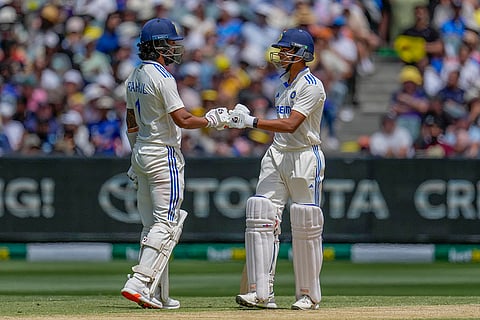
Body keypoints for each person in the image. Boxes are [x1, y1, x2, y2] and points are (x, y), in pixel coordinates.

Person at [120, 18, 229, 310]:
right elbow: (182, 119)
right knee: (168, 224)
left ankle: (156, 293)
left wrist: (134, 154)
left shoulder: (135, 74)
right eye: (169, 43)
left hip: (142, 150)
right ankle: (139, 281)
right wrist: (213, 120)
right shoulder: (163, 77)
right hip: (162, 153)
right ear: (157, 46)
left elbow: (131, 120)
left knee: (150, 227)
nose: (173, 48)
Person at [230, 28, 326, 310]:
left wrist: (250, 122)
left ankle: (308, 295)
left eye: (287, 49)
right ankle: (261, 293)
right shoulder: (281, 84)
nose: (281, 53)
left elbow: (291, 124)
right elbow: (281, 127)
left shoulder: (311, 85)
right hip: (277, 153)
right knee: (261, 215)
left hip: (304, 156)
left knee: (306, 222)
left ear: (301, 54)